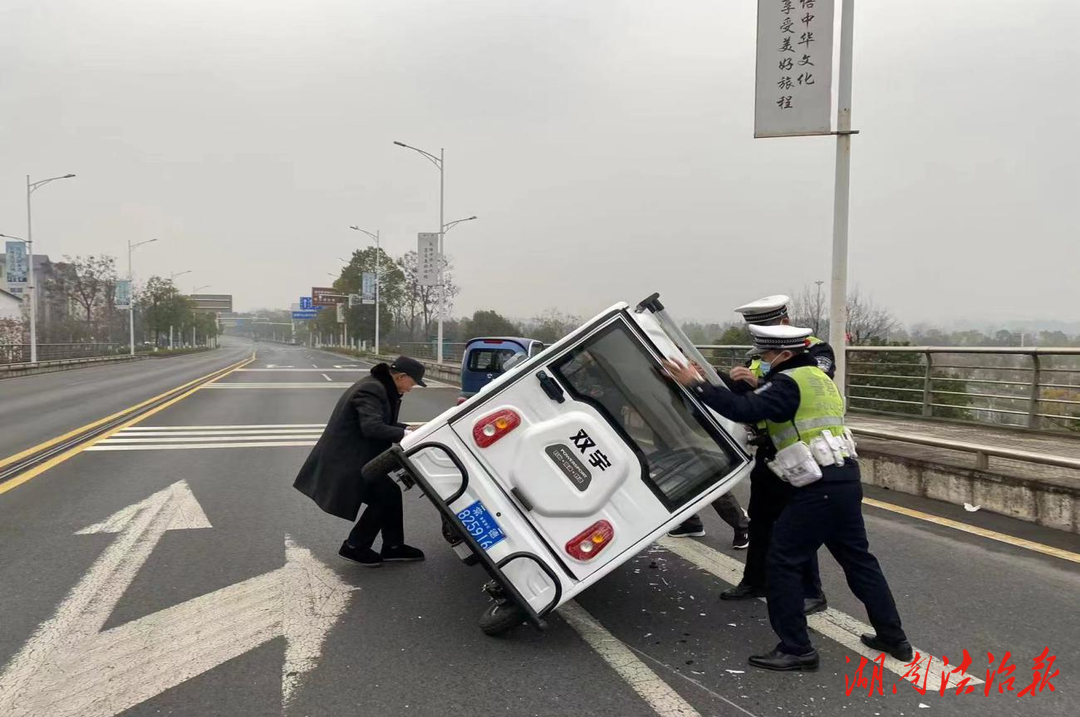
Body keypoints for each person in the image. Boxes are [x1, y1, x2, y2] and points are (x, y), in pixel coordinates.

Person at [662, 325, 910, 672]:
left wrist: (696, 384)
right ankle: (893, 637)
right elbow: (761, 399)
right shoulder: (817, 378)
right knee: (858, 559)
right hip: (844, 478)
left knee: (782, 562)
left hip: (817, 487)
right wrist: (728, 380)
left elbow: (743, 410)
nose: (762, 361)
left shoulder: (788, 382)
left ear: (784, 354)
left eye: (764, 355)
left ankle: (797, 648)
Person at [720, 295, 833, 613]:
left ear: (783, 323)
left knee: (798, 524)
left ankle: (812, 592)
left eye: (765, 328)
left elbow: (807, 384)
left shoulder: (815, 350)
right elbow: (757, 396)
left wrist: (759, 381)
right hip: (770, 449)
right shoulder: (760, 353)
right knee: (761, 519)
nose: (761, 339)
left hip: (801, 452)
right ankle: (755, 580)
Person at [294, 356, 429, 568]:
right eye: (411, 383)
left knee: (389, 493)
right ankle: (355, 546)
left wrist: (410, 431)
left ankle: (393, 547)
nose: (411, 389)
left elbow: (384, 423)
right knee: (383, 496)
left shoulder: (380, 386)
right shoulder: (372, 389)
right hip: (347, 460)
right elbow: (372, 427)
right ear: (401, 376)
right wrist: (404, 433)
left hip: (355, 457)